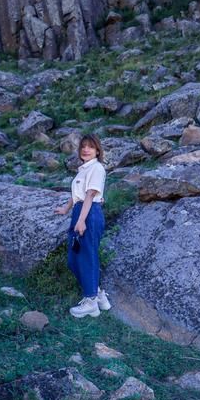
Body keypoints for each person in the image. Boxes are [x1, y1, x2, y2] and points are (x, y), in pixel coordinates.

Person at [54, 133, 111, 318]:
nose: (86, 149)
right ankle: (98, 294)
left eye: (91, 147)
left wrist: (80, 221)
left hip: (90, 213)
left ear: (97, 151)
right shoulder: (84, 170)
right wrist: (66, 208)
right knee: (74, 259)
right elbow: (78, 194)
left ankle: (91, 301)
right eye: (83, 146)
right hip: (81, 211)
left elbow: (89, 195)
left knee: (86, 255)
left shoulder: (97, 168)